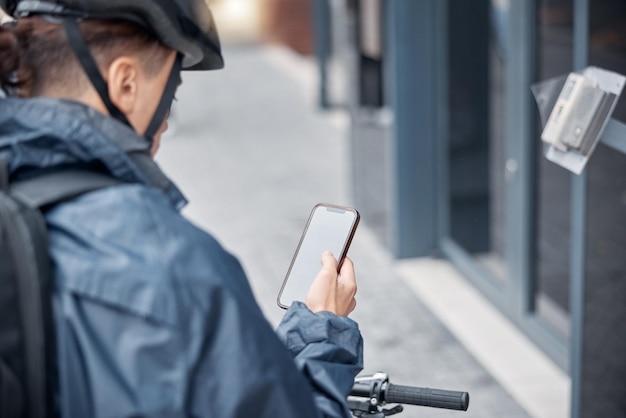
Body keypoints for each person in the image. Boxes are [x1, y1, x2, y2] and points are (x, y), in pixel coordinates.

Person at [0, 1, 363, 417]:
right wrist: (323, 332)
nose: (167, 123)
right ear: (126, 83)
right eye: (169, 97)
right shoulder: (167, 261)